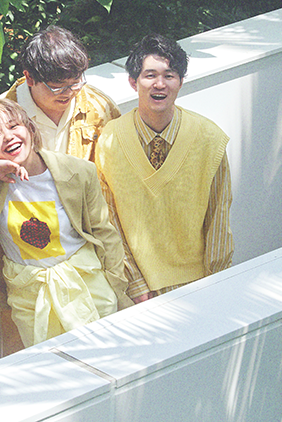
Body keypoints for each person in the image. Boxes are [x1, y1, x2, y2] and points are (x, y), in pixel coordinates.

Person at [0, 99, 130, 348]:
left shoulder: (78, 171)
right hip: (30, 297)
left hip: (87, 286)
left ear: (30, 128)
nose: (8, 137)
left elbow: (105, 234)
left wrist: (117, 284)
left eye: (13, 126)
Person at [95, 33, 234, 303]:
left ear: (181, 81)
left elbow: (219, 217)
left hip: (197, 283)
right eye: (150, 75)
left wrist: (215, 281)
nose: (160, 84)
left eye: (169, 75)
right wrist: (134, 282)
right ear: (133, 82)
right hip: (134, 288)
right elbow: (107, 218)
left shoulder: (209, 139)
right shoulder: (110, 139)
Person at [0, 25, 120, 174]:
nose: (69, 92)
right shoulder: (0, 116)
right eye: (57, 87)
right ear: (29, 78)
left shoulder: (99, 107)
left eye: (75, 82)